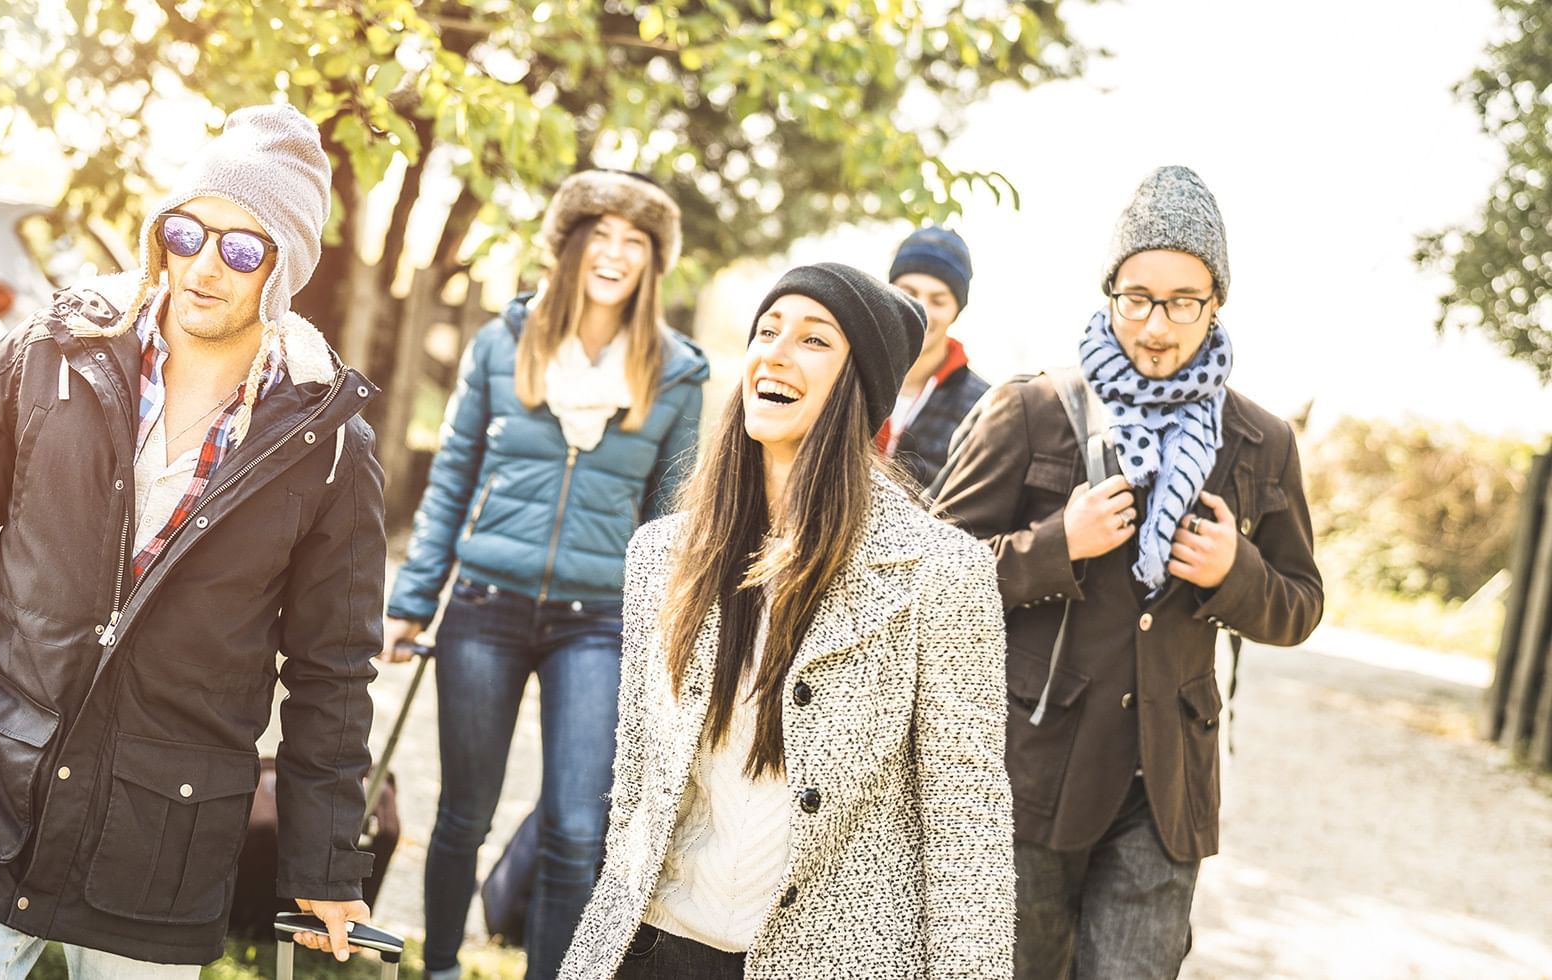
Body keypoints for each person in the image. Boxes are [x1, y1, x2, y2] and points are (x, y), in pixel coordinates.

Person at [0, 105, 385, 977]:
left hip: (159, 849)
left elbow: (334, 666)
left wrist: (325, 865)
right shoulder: (50, 354)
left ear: (281, 272)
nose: (203, 266)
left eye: (242, 249)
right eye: (186, 232)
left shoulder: (326, 447)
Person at [561, 262, 1015, 980]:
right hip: (653, 946)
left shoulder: (941, 572)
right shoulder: (662, 557)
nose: (773, 352)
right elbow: (638, 780)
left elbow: (968, 822)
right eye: (767, 331)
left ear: (859, 384)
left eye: (812, 339)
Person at [930, 166, 1324, 979]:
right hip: (1033, 776)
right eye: (1138, 296)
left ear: (1216, 304)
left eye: (1185, 299)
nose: (1157, 325)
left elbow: (1301, 606)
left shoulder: (1261, 441)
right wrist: (1053, 545)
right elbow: (927, 576)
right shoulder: (1032, 409)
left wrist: (1236, 573)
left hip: (1167, 789)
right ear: (1109, 292)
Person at [378, 169, 709, 980]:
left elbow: (675, 516)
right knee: (464, 811)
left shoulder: (677, 372)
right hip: (485, 605)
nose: (616, 253)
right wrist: (414, 599)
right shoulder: (502, 343)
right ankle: (442, 966)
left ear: (652, 263)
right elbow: (451, 476)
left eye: (635, 241)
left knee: (573, 826)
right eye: (600, 234)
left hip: (597, 621)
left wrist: (671, 632)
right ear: (569, 246)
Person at [878, 226, 988, 487]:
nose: (921, 310)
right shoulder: (847, 377)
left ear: (956, 311)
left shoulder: (982, 405)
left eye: (938, 301)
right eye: (909, 292)